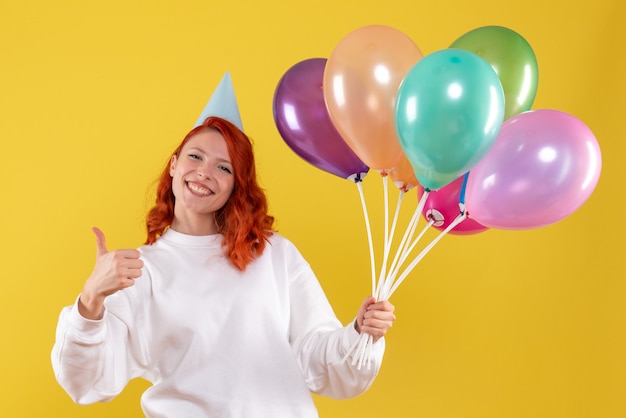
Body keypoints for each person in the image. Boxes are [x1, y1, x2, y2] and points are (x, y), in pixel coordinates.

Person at [51, 72, 396, 418]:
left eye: (224, 167)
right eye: (195, 157)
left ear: (236, 186)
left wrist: (359, 332)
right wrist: (90, 300)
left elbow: (318, 359)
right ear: (174, 165)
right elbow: (86, 381)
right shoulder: (140, 270)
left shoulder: (274, 254)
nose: (204, 173)